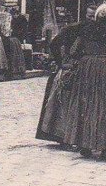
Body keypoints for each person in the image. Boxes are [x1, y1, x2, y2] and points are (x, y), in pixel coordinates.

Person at [60, 4, 106, 160]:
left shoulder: (86, 31)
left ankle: (85, 144)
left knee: (87, 105)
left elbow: (74, 51)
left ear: (97, 17)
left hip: (88, 70)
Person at [36, 8, 94, 143]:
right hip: (72, 68)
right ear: (85, 15)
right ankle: (63, 135)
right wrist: (61, 63)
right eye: (90, 16)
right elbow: (54, 44)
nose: (92, 19)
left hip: (88, 69)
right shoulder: (74, 28)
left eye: (94, 16)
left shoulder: (98, 30)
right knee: (64, 101)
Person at [3, 11, 27, 79]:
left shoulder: (21, 20)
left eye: (14, 15)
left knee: (15, 54)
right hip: (13, 39)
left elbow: (23, 31)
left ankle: (16, 70)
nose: (13, 16)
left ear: (17, 14)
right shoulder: (13, 20)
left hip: (16, 39)